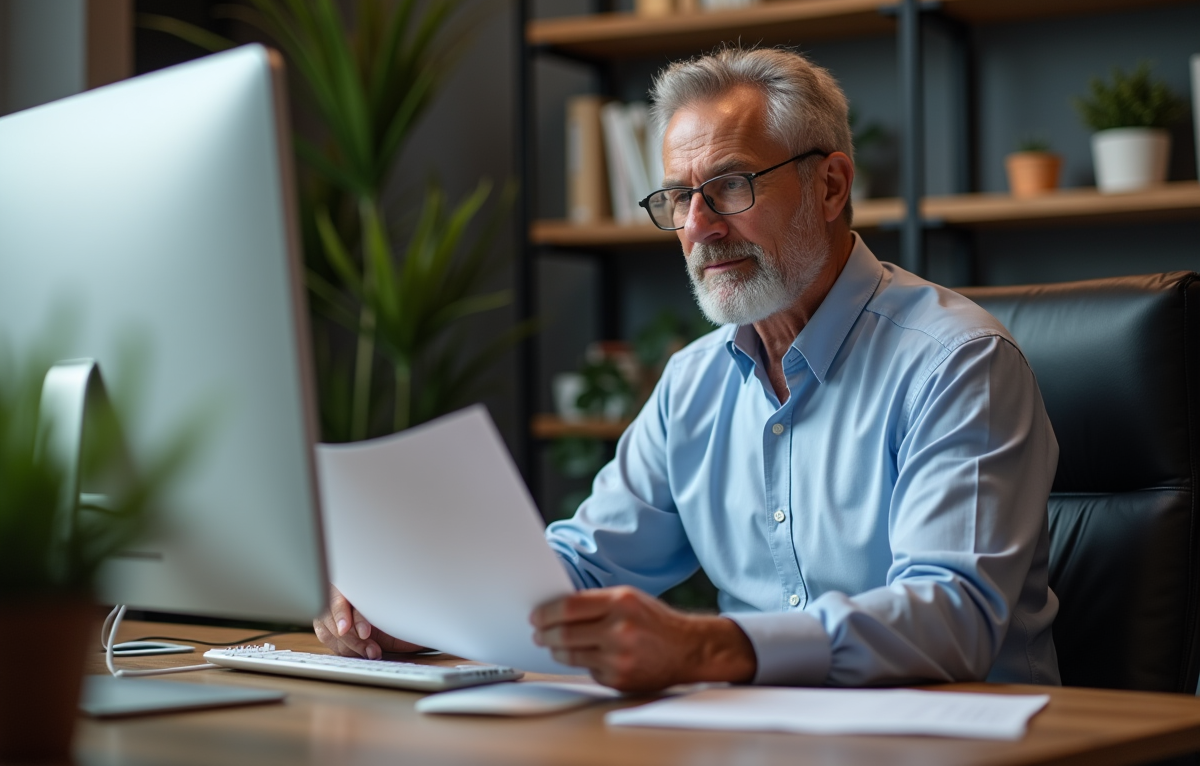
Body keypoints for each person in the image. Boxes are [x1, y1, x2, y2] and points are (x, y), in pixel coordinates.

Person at [314, 47, 1060, 693]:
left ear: (831, 186)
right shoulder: (692, 383)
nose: (699, 226)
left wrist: (706, 646)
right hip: (760, 736)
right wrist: (411, 612)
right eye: (678, 197)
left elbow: (953, 616)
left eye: (731, 185)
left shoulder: (956, 363)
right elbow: (582, 568)